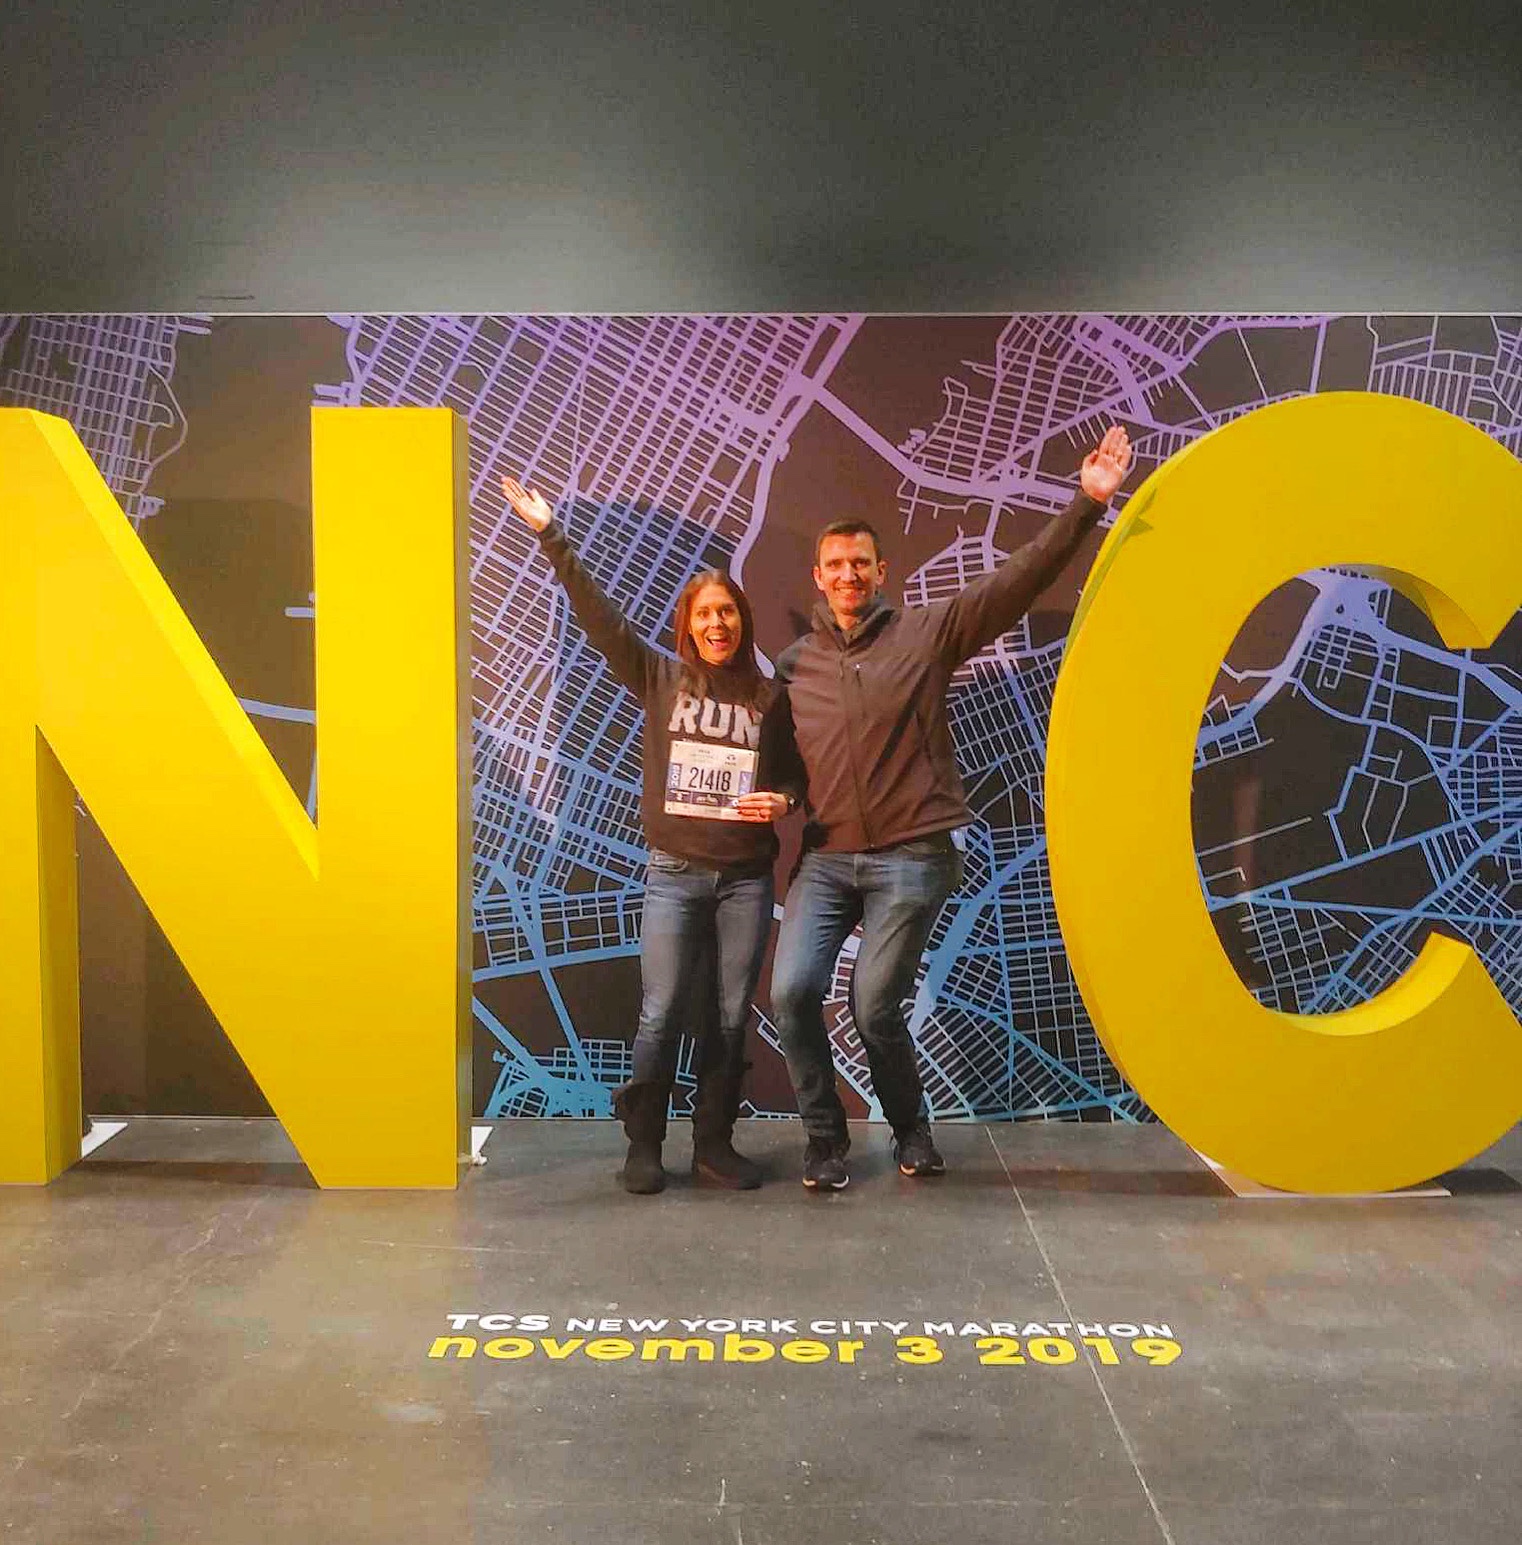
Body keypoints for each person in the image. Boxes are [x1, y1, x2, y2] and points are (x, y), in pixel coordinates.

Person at [770, 425, 1135, 1190]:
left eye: (860, 563)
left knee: (874, 1004)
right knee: (791, 992)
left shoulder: (927, 632)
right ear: (818, 576)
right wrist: (785, 794)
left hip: (912, 856)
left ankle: (910, 1129)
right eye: (835, 565)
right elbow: (786, 762)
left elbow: (1015, 584)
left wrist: (1087, 503)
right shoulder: (796, 664)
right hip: (827, 860)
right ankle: (825, 1139)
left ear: (881, 571)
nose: (848, 574)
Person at [502, 476, 799, 1195]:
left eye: (728, 611)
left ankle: (714, 1145)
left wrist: (786, 800)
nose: (718, 624)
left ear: (743, 620)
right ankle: (644, 1146)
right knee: (660, 1013)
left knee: (730, 1015)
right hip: (673, 873)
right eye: (705, 614)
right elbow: (599, 619)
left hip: (746, 880)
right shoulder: (660, 678)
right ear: (688, 625)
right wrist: (551, 535)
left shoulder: (771, 698)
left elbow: (796, 777)